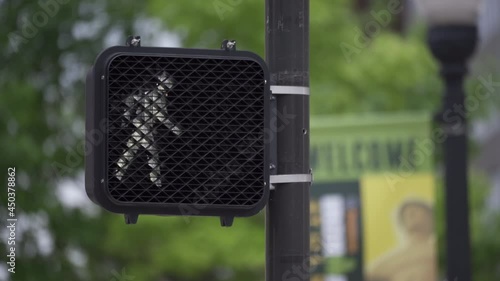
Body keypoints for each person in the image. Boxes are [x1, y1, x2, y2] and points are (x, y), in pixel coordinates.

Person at [366, 199, 437, 281]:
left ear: (430, 218)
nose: (410, 213)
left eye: (417, 211)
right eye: (406, 214)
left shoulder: (439, 251)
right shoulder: (386, 262)